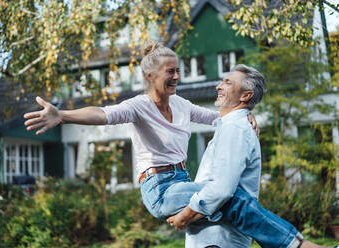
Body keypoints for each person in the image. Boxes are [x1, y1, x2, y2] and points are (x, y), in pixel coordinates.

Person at [23, 40, 322, 248]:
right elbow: (103, 114)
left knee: (221, 214)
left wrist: (249, 112)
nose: (177, 76)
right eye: (171, 72)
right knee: (229, 198)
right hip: (158, 189)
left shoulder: (182, 105)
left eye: (178, 70)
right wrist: (62, 115)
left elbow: (221, 118)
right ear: (150, 75)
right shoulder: (138, 106)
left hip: (182, 181)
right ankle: (298, 245)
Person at [166, 64, 324, 248]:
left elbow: (221, 188)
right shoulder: (231, 125)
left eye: (227, 82)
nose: (218, 86)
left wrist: (184, 217)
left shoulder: (235, 128)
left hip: (217, 238)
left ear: (245, 95)